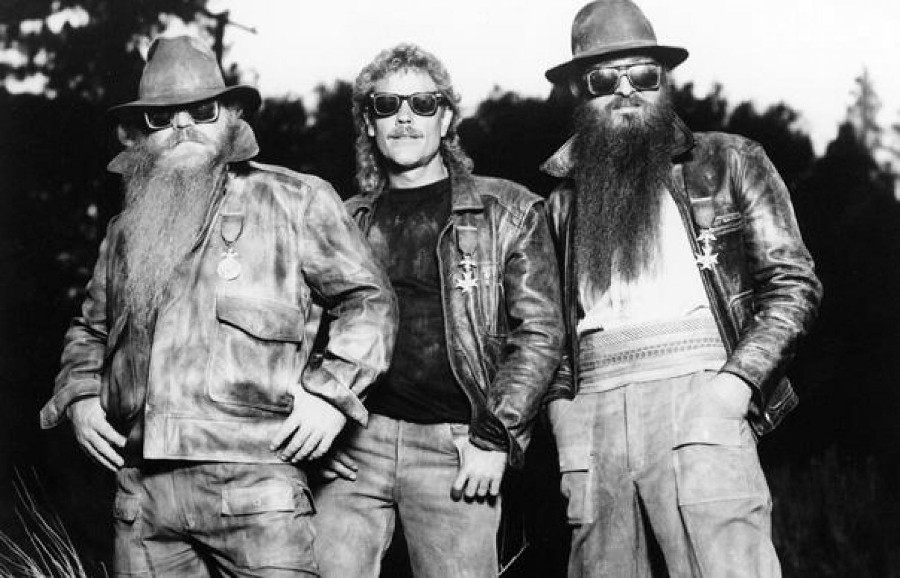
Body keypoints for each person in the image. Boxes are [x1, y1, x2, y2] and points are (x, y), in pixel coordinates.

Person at [39, 35, 396, 577]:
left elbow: (369, 301)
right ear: (140, 133)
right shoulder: (124, 231)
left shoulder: (295, 200)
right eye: (162, 117)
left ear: (232, 116)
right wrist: (81, 396)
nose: (183, 126)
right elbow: (90, 329)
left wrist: (331, 395)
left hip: (258, 486)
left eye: (202, 111)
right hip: (142, 496)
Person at [541, 1, 823, 576]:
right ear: (578, 91)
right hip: (594, 417)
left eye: (643, 75)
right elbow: (546, 329)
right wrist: (563, 415)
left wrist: (734, 386)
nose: (626, 92)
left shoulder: (731, 160)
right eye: (603, 80)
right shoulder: (560, 202)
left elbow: (793, 283)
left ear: (665, 80)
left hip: (700, 399)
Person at [310, 43, 563, 578]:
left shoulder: (509, 211)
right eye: (387, 105)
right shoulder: (342, 220)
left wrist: (495, 436)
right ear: (369, 123)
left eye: (422, 104)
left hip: (456, 448)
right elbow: (306, 328)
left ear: (445, 118)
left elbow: (540, 333)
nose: (405, 118)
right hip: (357, 444)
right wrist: (321, 424)